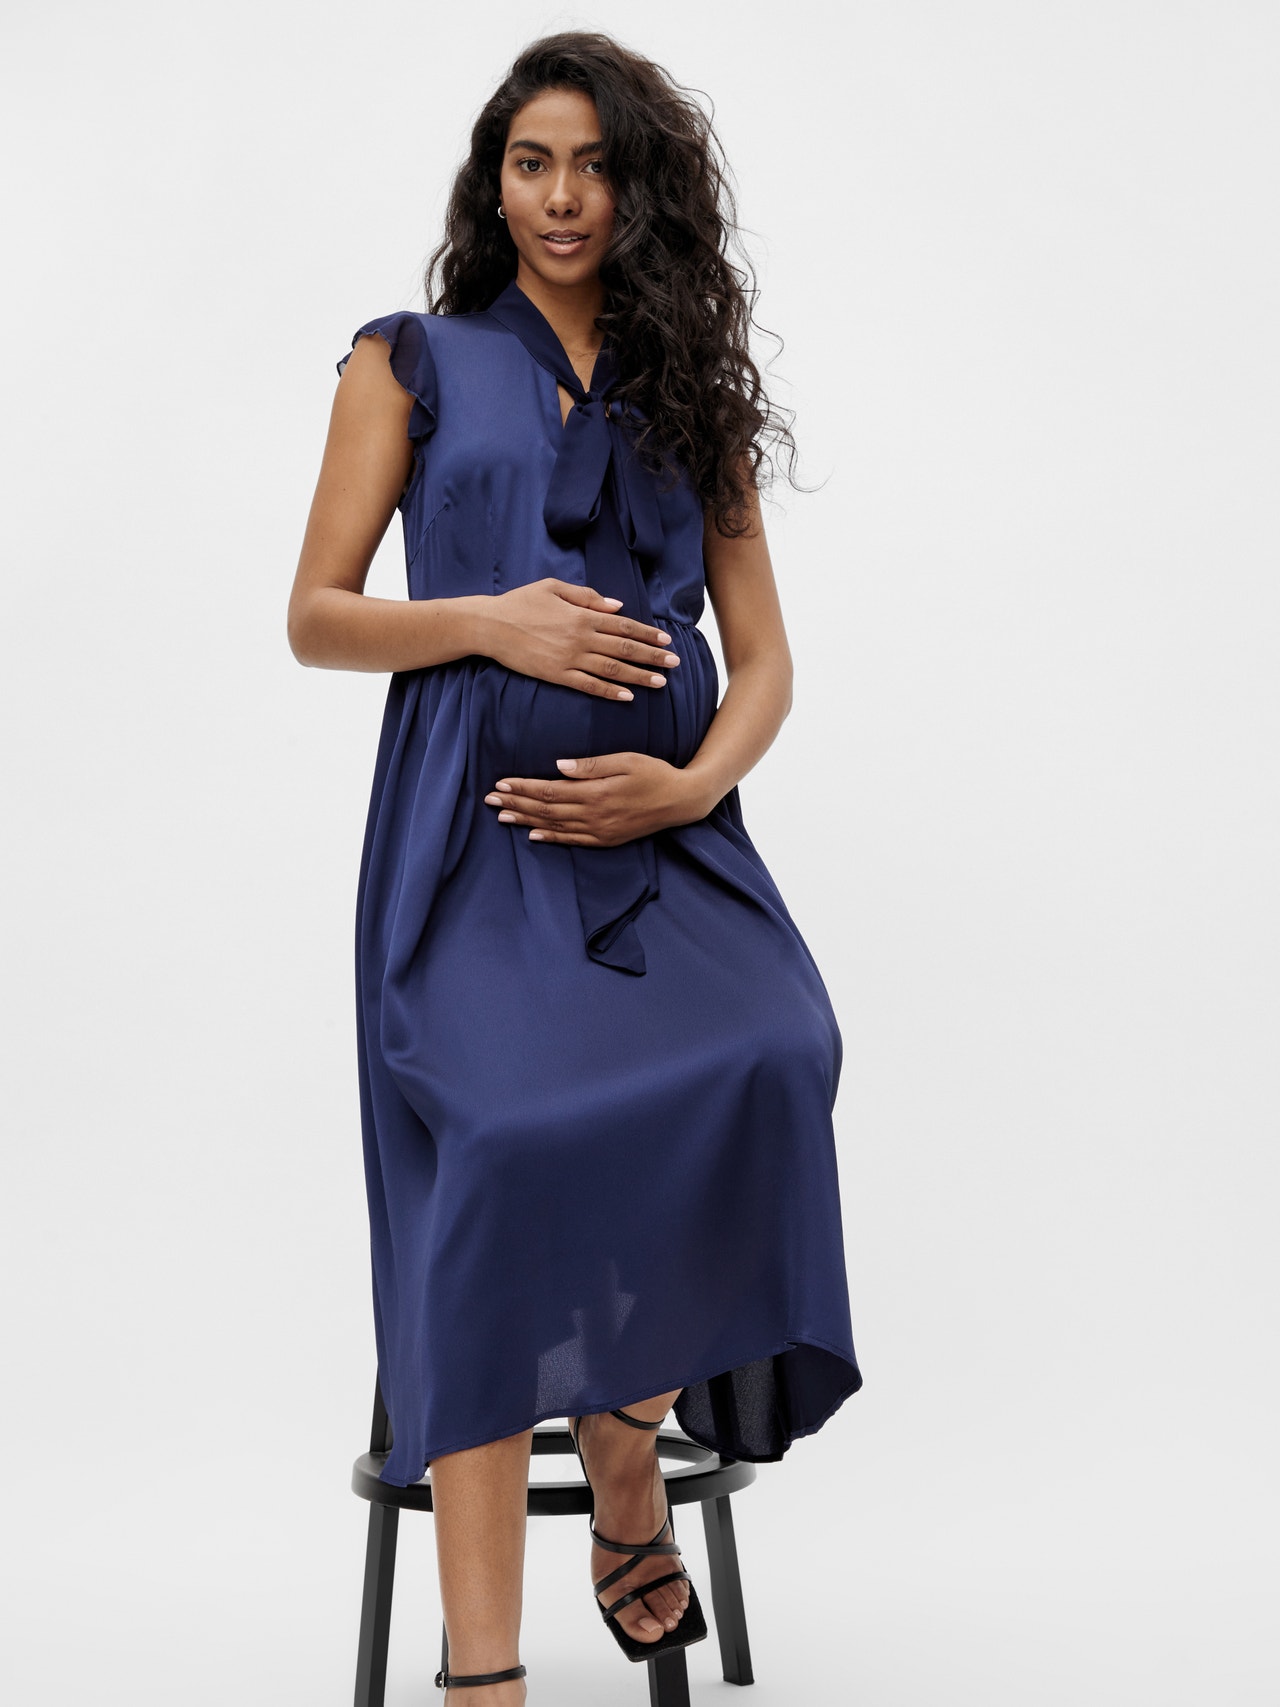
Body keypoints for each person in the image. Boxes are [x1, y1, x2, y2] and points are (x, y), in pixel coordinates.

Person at [288, 30, 864, 1705]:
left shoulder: (692, 383)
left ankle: (626, 1443)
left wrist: (683, 787)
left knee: (779, 1054)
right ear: (493, 184)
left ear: (641, 190)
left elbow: (765, 661)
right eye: (531, 164)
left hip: (670, 844)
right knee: (503, 1147)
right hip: (471, 845)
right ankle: (484, 1671)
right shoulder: (406, 362)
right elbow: (316, 614)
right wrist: (492, 622)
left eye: (595, 167)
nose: (561, 197)